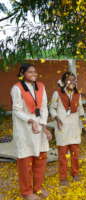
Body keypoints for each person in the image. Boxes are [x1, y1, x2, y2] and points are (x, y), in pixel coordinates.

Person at [11, 63, 52, 200]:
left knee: (40, 159)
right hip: (25, 130)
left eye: (35, 71)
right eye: (30, 72)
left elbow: (44, 107)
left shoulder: (41, 86)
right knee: (26, 161)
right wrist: (31, 120)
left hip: (39, 129)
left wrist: (44, 126)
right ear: (23, 73)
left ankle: (38, 188)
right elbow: (16, 110)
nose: (34, 74)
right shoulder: (16, 88)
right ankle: (27, 192)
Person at [50, 72, 85, 186]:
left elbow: (80, 109)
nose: (72, 82)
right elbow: (52, 108)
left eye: (74, 80)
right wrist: (56, 117)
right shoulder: (57, 93)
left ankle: (75, 173)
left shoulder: (77, 94)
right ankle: (63, 177)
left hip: (74, 127)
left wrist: (83, 119)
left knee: (75, 153)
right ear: (64, 81)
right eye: (69, 79)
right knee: (62, 155)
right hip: (62, 127)